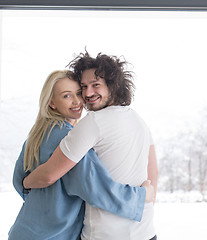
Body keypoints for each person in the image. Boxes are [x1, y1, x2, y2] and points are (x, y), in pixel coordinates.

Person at [23, 51, 159, 240]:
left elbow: (49, 175)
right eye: (84, 87)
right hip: (145, 233)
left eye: (96, 85)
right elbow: (153, 176)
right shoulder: (139, 120)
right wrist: (145, 196)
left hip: (104, 235)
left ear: (113, 85)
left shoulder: (93, 122)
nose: (87, 94)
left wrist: (26, 182)